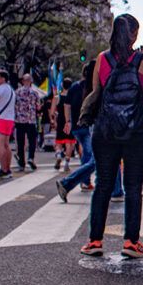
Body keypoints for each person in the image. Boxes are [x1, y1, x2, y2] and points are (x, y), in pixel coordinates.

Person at [77, 14, 143, 260]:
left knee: (103, 184)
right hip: (136, 132)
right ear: (133, 34)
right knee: (133, 187)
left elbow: (96, 91)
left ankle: (95, 241)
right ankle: (131, 241)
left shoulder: (102, 59)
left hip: (106, 131)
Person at [56, 61, 98, 200]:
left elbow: (67, 105)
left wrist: (68, 121)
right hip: (87, 126)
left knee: (88, 154)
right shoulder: (93, 86)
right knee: (92, 157)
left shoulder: (75, 86)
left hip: (77, 126)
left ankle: (112, 189)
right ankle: (76, 182)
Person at [14, 73, 41, 172]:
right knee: (32, 141)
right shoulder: (35, 93)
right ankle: (30, 158)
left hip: (20, 120)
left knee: (20, 142)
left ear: (22, 81)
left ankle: (21, 162)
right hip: (31, 120)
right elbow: (38, 107)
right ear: (31, 81)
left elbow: (14, 105)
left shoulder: (17, 92)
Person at [52, 78, 76, 172]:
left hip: (60, 121)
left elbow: (52, 112)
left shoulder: (57, 97)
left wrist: (53, 120)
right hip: (69, 121)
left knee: (59, 141)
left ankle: (58, 154)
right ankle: (66, 162)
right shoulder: (73, 97)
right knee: (69, 142)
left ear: (62, 85)